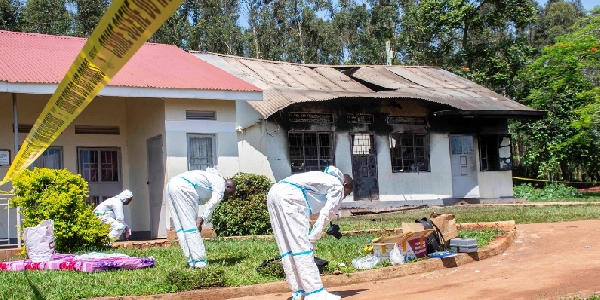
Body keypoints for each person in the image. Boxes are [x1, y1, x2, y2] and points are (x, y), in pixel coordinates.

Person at [267, 166, 353, 300]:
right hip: (291, 197)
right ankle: (315, 293)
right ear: (345, 185)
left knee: (287, 246)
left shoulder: (323, 178)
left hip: (274, 193)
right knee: (303, 248)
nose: (344, 196)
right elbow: (327, 214)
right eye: (347, 193)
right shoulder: (338, 186)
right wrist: (312, 238)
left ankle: (299, 291)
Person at [165, 168, 236, 268]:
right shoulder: (220, 184)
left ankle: (191, 260)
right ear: (228, 186)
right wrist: (201, 221)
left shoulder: (213, 179)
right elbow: (213, 203)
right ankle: (200, 263)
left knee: (181, 226)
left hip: (171, 185)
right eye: (230, 193)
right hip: (183, 187)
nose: (228, 197)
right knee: (191, 227)